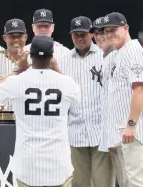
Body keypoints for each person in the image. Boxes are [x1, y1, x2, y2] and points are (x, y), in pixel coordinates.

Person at [0, 34, 80, 187]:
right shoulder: (66, 83)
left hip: (27, 165)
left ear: (30, 55)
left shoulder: (17, 82)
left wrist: (19, 69)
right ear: (52, 57)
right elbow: (77, 101)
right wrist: (57, 70)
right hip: (58, 165)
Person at [99, 12, 143, 187]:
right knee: (126, 183)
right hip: (120, 133)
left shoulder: (134, 51)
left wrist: (132, 124)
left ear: (126, 28)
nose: (110, 34)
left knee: (137, 183)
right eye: (107, 30)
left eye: (113, 29)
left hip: (133, 133)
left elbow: (140, 89)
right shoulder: (118, 54)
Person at [58, 16, 115, 187]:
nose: (79, 38)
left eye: (83, 34)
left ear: (91, 34)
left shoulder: (105, 56)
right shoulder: (64, 60)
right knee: (79, 183)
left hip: (101, 131)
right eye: (75, 34)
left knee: (103, 183)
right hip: (74, 131)